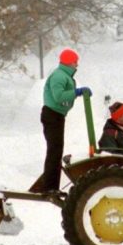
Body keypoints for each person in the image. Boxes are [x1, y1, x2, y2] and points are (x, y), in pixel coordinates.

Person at [35, 47, 91, 196]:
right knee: (54, 150)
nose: (76, 65)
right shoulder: (59, 76)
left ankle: (52, 186)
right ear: (68, 62)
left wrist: (77, 92)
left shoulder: (64, 75)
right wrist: (77, 92)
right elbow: (58, 96)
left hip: (57, 116)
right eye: (75, 62)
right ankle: (49, 187)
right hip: (52, 115)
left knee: (56, 150)